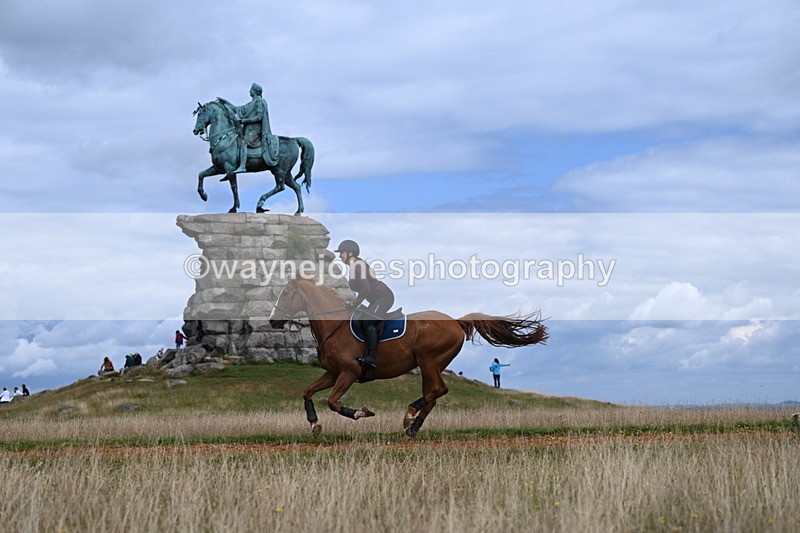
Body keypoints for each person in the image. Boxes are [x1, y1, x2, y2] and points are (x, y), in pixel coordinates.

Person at [335, 239, 395, 369]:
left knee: (368, 321)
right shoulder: (354, 266)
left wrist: (355, 303)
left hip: (384, 297)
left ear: (350, 253)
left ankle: (372, 357)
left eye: (341, 253)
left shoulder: (358, 265)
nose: (339, 256)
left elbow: (366, 288)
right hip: (376, 300)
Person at [232, 82, 278, 173]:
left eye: (251, 89)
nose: (249, 91)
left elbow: (259, 117)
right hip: (248, 129)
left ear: (256, 91)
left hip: (256, 130)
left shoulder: (260, 102)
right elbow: (237, 109)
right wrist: (225, 102)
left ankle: (242, 166)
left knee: (243, 143)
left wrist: (243, 121)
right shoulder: (251, 103)